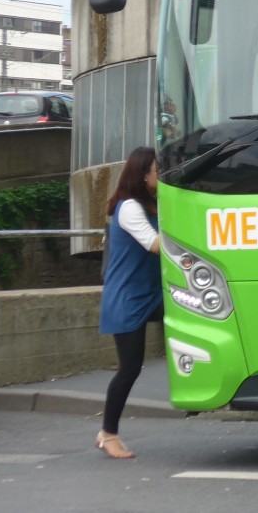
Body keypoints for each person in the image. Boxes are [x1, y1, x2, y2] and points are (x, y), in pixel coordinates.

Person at [96, 147, 161, 459]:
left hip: (152, 294)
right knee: (129, 369)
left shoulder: (153, 204)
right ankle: (108, 433)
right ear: (143, 174)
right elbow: (155, 244)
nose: (161, 175)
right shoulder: (130, 208)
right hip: (127, 298)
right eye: (157, 170)